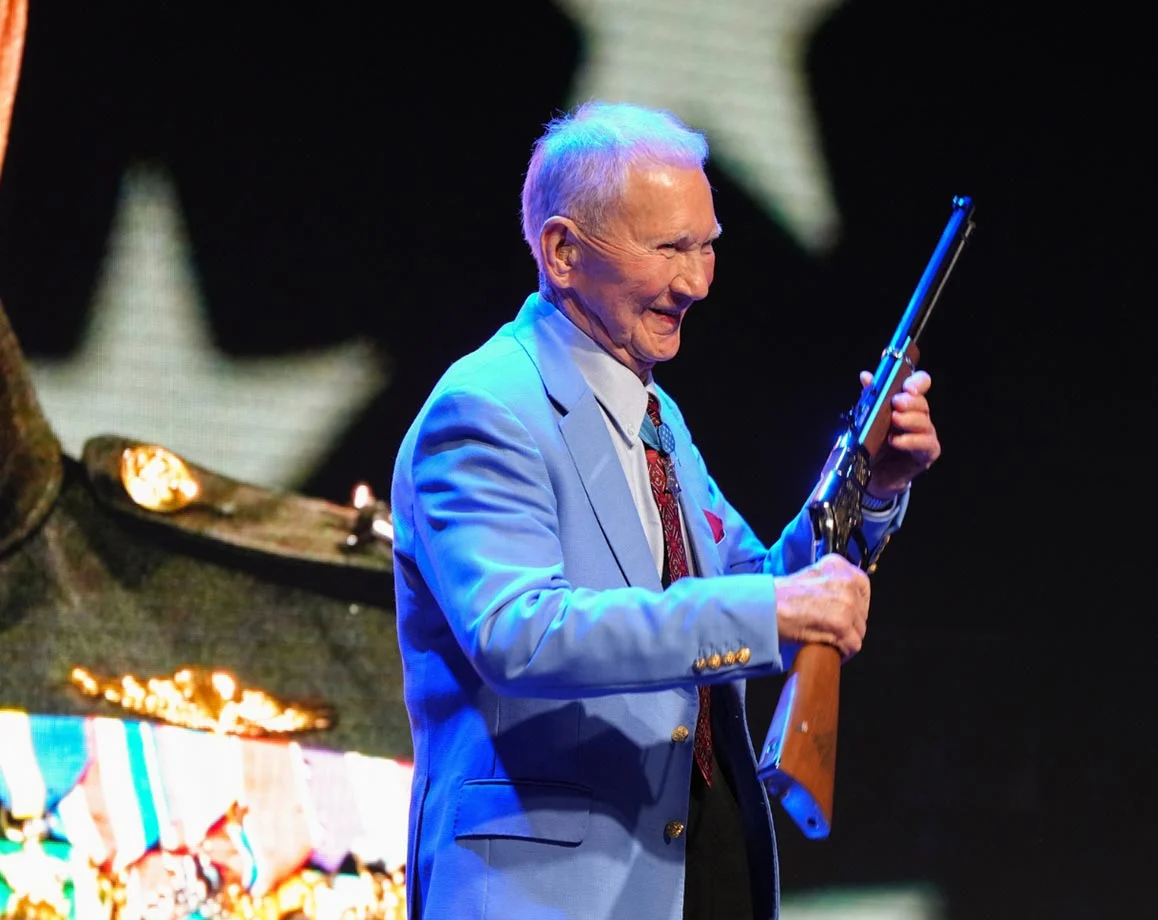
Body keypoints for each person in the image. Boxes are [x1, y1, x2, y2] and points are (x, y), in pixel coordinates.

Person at [389, 100, 941, 920]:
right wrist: (769, 607)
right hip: (549, 895)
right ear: (564, 251)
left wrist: (874, 487)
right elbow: (520, 633)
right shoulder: (484, 408)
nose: (696, 282)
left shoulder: (657, 417)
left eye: (707, 246)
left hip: (697, 873)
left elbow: (758, 587)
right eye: (669, 249)